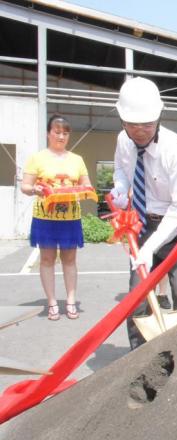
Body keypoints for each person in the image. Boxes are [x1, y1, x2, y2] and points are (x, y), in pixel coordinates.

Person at [110, 77, 177, 349]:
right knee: (136, 295)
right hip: (141, 221)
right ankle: (136, 359)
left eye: (147, 124)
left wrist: (150, 248)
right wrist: (120, 187)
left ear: (159, 116)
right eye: (132, 124)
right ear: (122, 120)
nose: (140, 131)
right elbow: (120, 169)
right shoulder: (122, 141)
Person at [20, 114, 93, 321]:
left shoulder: (77, 159)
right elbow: (25, 186)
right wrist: (35, 189)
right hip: (45, 216)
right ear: (48, 133)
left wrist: (81, 189)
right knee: (47, 259)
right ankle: (52, 302)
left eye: (65, 133)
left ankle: (70, 301)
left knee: (70, 260)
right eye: (57, 132)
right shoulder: (37, 158)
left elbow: (87, 184)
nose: (61, 136)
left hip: (70, 216)